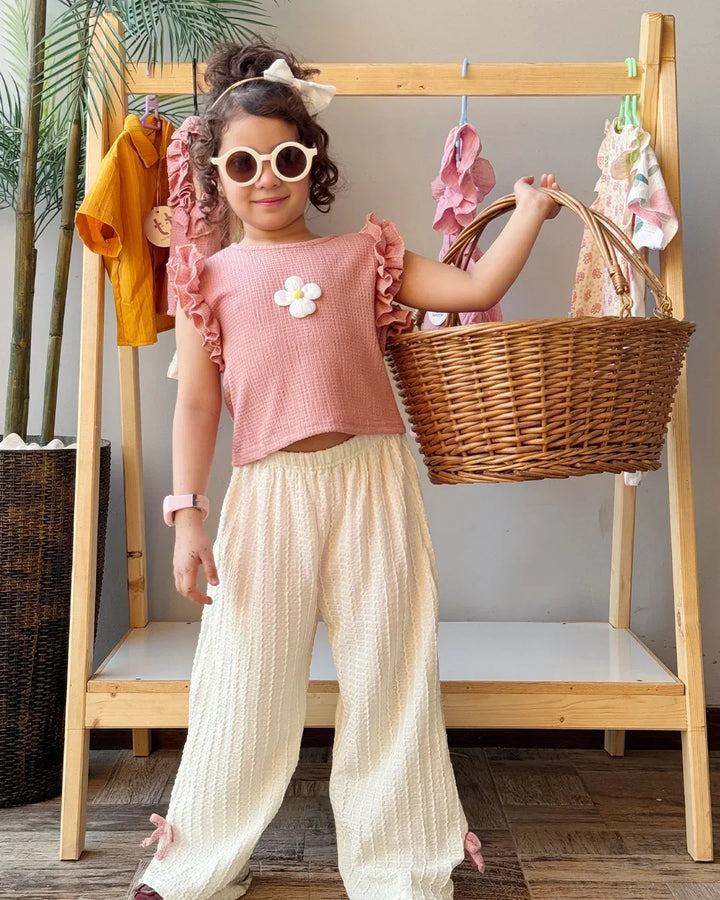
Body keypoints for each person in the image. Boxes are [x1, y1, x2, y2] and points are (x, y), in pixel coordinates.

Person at [133, 39, 560, 900]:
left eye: (285, 159)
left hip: (372, 485)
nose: (266, 179)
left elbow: (474, 290)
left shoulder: (365, 258)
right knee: (244, 676)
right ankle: (194, 861)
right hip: (267, 495)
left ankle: (399, 864)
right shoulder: (207, 280)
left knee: (389, 669)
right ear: (216, 175)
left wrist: (528, 212)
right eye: (243, 164)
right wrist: (187, 515)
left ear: (312, 164)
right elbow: (197, 407)